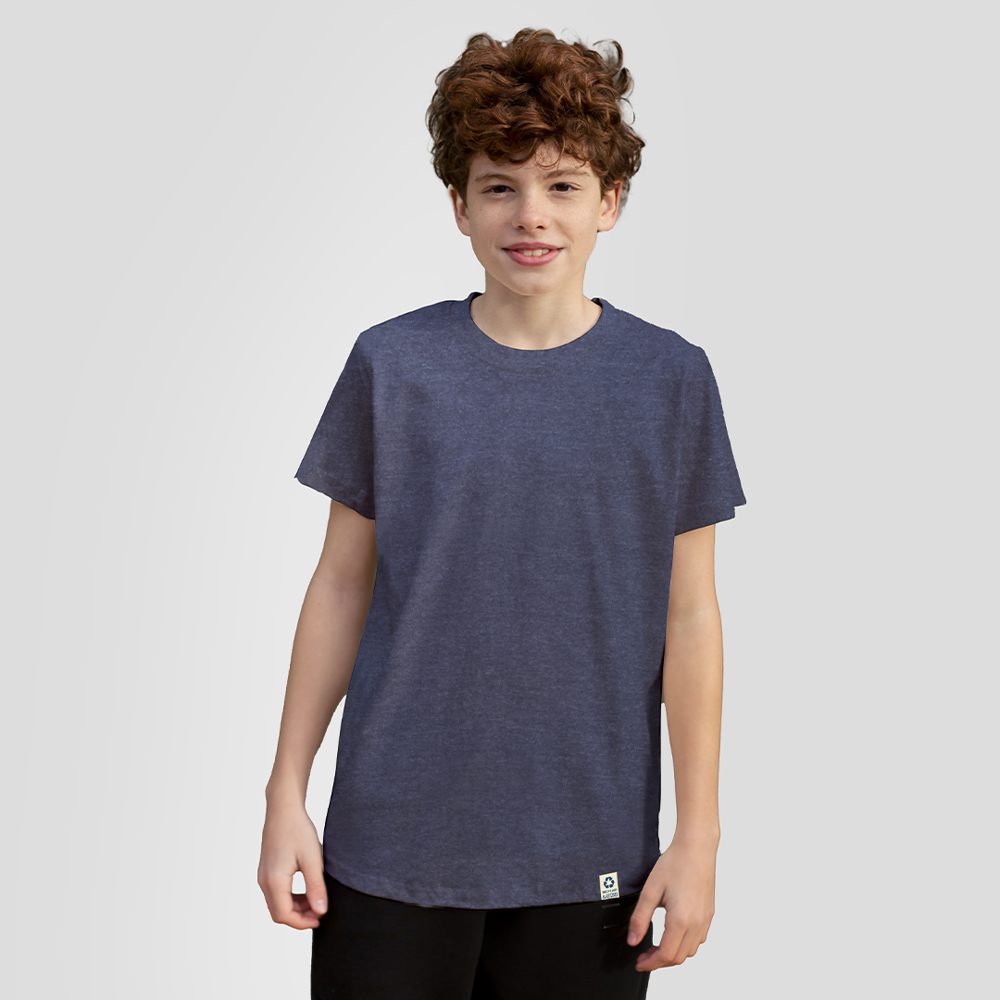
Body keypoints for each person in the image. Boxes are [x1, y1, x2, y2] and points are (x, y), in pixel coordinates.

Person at [257, 27, 746, 1000]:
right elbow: (341, 586)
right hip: (390, 846)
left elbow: (689, 614)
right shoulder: (394, 365)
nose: (532, 215)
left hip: (589, 851)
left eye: (562, 184)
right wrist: (285, 794)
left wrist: (698, 836)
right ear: (459, 205)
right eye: (499, 186)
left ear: (610, 201)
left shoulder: (668, 379)